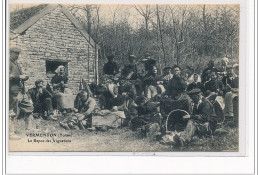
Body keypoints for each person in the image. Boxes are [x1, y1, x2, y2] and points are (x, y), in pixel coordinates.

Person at [9, 47, 34, 139]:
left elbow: (21, 76)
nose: (17, 55)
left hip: (21, 91)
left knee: (29, 107)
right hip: (12, 91)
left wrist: (25, 77)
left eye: (18, 53)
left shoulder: (17, 64)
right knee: (12, 112)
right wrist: (19, 76)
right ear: (10, 53)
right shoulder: (7, 63)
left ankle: (29, 128)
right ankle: (10, 134)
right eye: (15, 53)